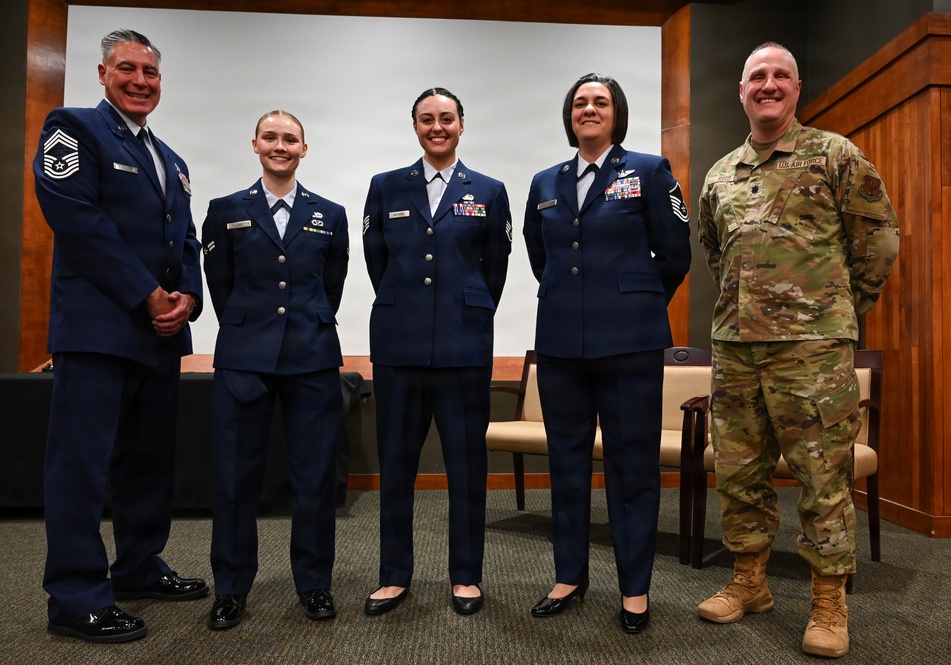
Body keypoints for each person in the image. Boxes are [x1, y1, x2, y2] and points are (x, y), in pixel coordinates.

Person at [696, 42, 899, 658]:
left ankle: (827, 602)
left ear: (796, 87)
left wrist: (833, 311)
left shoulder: (836, 155)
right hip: (735, 348)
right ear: (741, 90)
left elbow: (880, 243)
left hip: (812, 353)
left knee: (822, 477)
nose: (768, 84)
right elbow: (714, 250)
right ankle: (749, 581)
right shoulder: (719, 173)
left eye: (779, 75)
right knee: (738, 472)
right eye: (756, 75)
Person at [33, 29, 207, 644]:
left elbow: (184, 240)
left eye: (151, 73)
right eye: (128, 69)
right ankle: (76, 595)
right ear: (104, 73)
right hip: (98, 331)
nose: (140, 81)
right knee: (81, 466)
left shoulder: (173, 161)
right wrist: (146, 294)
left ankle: (137, 566)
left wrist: (187, 298)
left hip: (159, 337)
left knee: (147, 463)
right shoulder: (72, 128)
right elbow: (76, 218)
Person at [522, 73, 691, 633]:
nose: (589, 109)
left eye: (599, 102)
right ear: (568, 116)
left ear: (616, 113)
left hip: (631, 345)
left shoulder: (648, 170)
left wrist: (635, 304)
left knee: (632, 468)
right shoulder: (545, 181)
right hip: (562, 346)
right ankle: (569, 575)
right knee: (566, 465)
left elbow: (674, 254)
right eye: (579, 103)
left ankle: (635, 589)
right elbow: (538, 255)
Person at [362, 87, 511, 616]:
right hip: (399, 347)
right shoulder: (384, 188)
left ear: (462, 125)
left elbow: (494, 269)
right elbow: (376, 261)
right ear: (416, 127)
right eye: (427, 120)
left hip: (463, 347)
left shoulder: (489, 190)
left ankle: (466, 576)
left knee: (467, 468)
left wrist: (459, 311)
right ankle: (393, 575)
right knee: (396, 466)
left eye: (446, 118)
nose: (437, 127)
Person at [201, 110, 349, 628]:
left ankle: (314, 583)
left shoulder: (329, 214)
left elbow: (331, 287)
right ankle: (231, 588)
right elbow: (221, 288)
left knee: (313, 479)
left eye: (290, 139)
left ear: (304, 149)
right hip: (245, 359)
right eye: (271, 137)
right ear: (255, 145)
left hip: (311, 358)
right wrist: (251, 330)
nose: (280, 145)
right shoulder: (224, 211)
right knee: (236, 480)